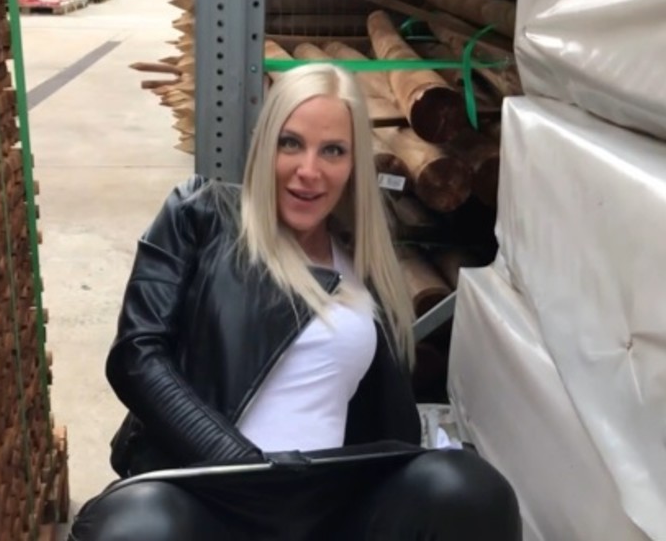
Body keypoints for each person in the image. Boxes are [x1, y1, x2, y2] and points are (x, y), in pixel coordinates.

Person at [69, 63, 522, 540]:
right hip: (210, 495)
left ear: (353, 164)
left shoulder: (365, 265)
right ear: (266, 145)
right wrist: (242, 466)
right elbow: (137, 355)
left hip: (326, 504)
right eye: (291, 143)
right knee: (134, 530)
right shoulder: (201, 215)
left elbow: (387, 427)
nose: (309, 171)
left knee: (470, 490)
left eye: (333, 150)